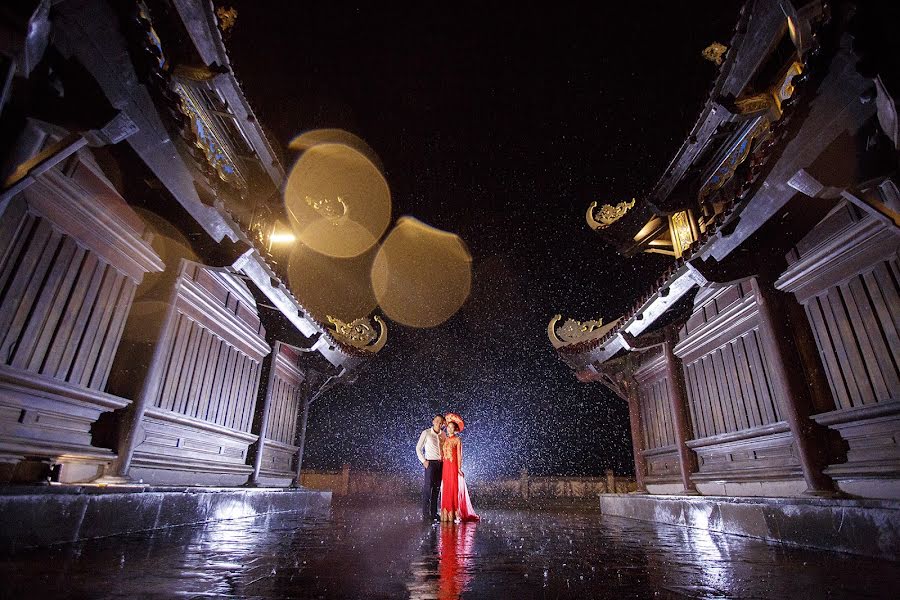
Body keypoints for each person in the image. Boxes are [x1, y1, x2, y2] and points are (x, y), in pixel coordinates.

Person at [439, 413, 479, 522]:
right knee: (446, 488)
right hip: (445, 467)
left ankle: (454, 513)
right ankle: (445, 513)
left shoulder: (457, 440)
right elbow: (442, 454)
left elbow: (459, 455)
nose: (450, 429)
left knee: (452, 488)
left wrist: (459, 468)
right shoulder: (444, 439)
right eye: (448, 427)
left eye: (452, 427)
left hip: (453, 467)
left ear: (455, 429)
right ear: (446, 428)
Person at [416, 414, 446, 521]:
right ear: (433, 421)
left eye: (441, 422)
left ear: (443, 424)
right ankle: (425, 515)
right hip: (430, 463)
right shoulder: (427, 433)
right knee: (428, 489)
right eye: (437, 421)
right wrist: (424, 461)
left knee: (437, 489)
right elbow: (418, 448)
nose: (438, 423)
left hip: (441, 464)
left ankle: (434, 513)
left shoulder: (443, 434)